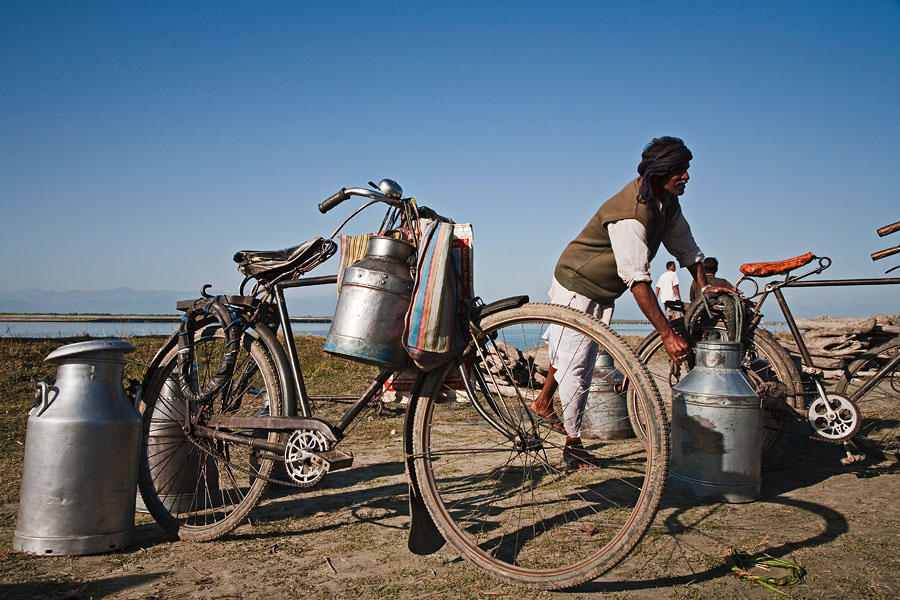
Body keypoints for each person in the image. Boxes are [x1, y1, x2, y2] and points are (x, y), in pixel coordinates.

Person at [529, 136, 732, 468]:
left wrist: (703, 285)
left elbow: (686, 247)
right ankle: (572, 444)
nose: (686, 176)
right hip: (577, 283)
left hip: (603, 289)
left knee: (575, 353)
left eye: (687, 169)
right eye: (679, 170)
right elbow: (637, 280)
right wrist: (667, 335)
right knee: (577, 363)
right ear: (660, 172)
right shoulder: (631, 213)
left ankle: (543, 402)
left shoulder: (666, 203)